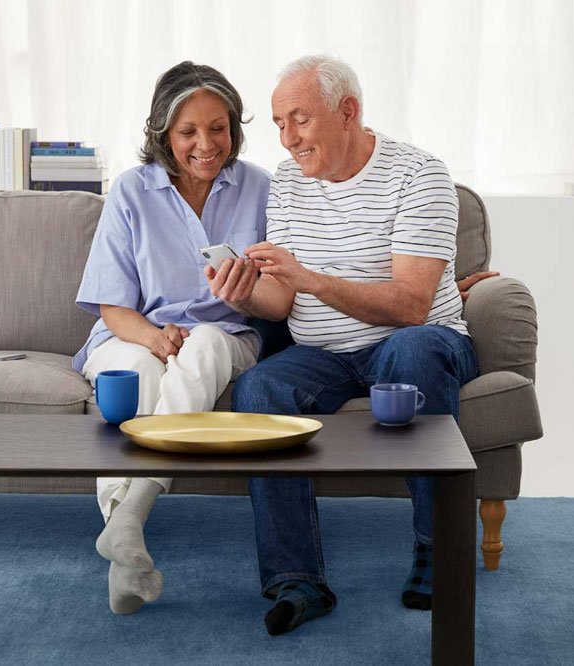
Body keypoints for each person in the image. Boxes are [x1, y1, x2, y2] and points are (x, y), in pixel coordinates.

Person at [206, 54, 485, 636]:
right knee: (259, 387)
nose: (286, 140)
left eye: (299, 120)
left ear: (348, 111)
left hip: (417, 342)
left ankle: (441, 550)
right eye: (279, 123)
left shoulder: (420, 175)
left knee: (411, 352)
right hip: (324, 356)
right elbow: (282, 304)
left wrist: (308, 277)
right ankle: (296, 578)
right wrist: (245, 297)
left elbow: (410, 305)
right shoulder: (287, 183)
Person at [73, 61, 270, 615]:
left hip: (227, 333)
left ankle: (129, 515)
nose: (206, 144)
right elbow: (114, 306)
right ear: (163, 134)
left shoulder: (260, 187)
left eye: (219, 127)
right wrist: (156, 340)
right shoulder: (133, 191)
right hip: (135, 332)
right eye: (188, 132)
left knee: (206, 341)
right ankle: (125, 551)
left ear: (234, 127)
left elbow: (290, 277)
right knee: (136, 373)